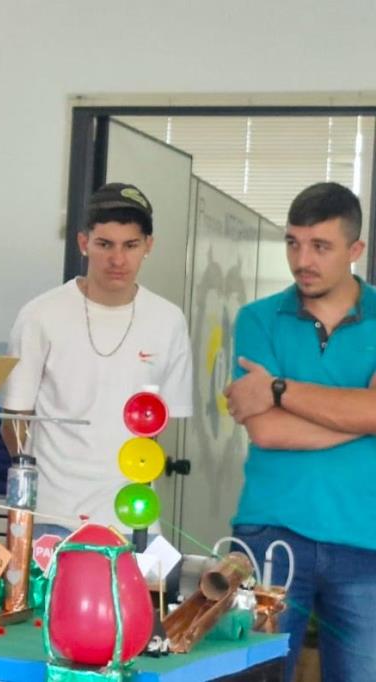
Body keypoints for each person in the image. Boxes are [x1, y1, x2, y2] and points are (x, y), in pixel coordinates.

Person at [225, 182, 376, 682]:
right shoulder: (257, 319)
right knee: (253, 676)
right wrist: (361, 416)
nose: (302, 259)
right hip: (270, 535)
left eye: (320, 246)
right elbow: (265, 430)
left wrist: (280, 388)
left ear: (356, 250)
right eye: (292, 242)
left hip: (366, 540)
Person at [0, 183, 192, 536]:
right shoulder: (41, 315)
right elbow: (14, 422)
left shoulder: (169, 321)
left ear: (149, 245)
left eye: (130, 245)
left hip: (134, 520)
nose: (117, 260)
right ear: (84, 242)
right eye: (105, 244)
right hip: (52, 517)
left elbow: (159, 426)